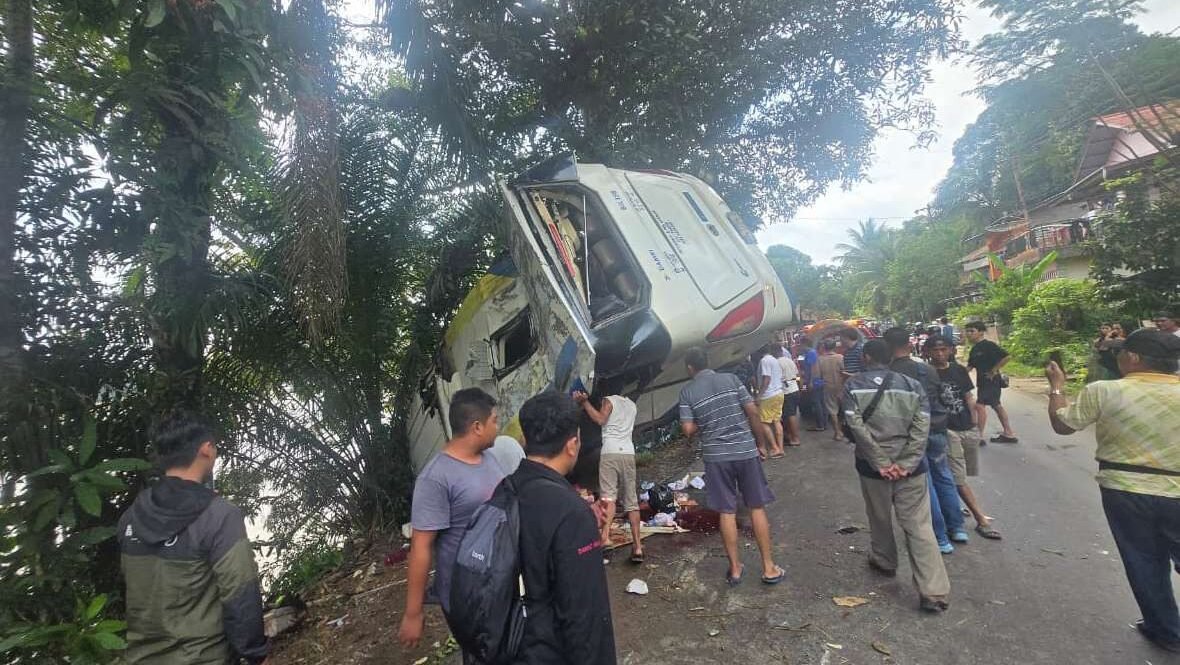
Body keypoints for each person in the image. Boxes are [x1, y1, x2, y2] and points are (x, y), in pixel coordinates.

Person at [1044, 329, 1180, 653]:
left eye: (1120, 352)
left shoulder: (1104, 391)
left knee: (1145, 561)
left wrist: (1057, 387)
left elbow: (1063, 425)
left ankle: (1166, 630)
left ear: (1133, 358)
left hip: (1126, 489)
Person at [118, 411, 268, 665]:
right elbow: (240, 593)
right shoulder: (219, 516)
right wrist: (253, 655)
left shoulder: (130, 518)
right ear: (207, 449)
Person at [842, 340, 951, 613]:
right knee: (919, 525)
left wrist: (880, 462)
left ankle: (884, 560)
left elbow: (856, 428)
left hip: (871, 468)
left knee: (879, 516)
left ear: (866, 358)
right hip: (912, 469)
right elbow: (921, 426)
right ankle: (933, 592)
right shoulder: (912, 385)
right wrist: (907, 462)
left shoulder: (853, 386)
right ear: (890, 357)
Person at [512, 391, 617, 664]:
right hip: (552, 650)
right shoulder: (570, 511)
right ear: (572, 445)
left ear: (525, 440)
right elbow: (585, 615)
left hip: (516, 641)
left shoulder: (506, 489)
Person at [399, 388, 506, 649]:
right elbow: (421, 547)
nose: (498, 426)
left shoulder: (489, 459)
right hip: (467, 593)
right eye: (495, 420)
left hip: (500, 580)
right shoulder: (435, 477)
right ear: (477, 427)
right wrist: (413, 613)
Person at [679, 347, 785, 586]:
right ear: (707, 361)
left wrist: (704, 421)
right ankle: (769, 568)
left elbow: (687, 430)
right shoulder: (731, 379)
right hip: (745, 451)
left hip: (716, 458)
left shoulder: (688, 392)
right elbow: (753, 412)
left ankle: (735, 569)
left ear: (689, 368)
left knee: (726, 511)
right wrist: (760, 444)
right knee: (756, 507)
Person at [884, 329, 966, 553]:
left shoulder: (889, 374)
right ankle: (958, 527)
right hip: (937, 428)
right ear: (909, 345)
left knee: (924, 484)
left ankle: (940, 538)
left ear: (887, 347)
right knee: (944, 476)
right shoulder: (927, 369)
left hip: (912, 435)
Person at [927, 336, 1002, 540]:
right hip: (946, 430)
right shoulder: (927, 373)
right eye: (935, 350)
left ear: (950, 350)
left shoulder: (959, 370)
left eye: (943, 349)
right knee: (957, 477)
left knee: (961, 473)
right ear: (928, 352)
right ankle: (981, 520)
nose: (940, 354)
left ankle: (952, 504)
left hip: (966, 426)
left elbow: (968, 396)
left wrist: (976, 425)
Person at [574, 391, 644, 564]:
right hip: (628, 452)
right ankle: (637, 547)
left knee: (608, 497)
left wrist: (584, 403)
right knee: (631, 501)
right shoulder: (632, 406)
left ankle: (604, 537)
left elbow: (600, 420)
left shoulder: (609, 400)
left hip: (610, 452)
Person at [964, 321, 1018, 443]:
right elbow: (970, 367)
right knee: (996, 405)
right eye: (967, 331)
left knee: (979, 405)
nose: (968, 334)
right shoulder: (974, 349)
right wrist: (956, 374)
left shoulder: (988, 345)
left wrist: (994, 371)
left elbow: (1006, 357)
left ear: (981, 332)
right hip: (982, 382)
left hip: (991, 381)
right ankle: (1008, 433)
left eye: (972, 331)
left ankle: (979, 436)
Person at [755, 343, 787, 458]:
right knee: (777, 421)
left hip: (768, 395)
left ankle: (774, 447)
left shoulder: (765, 361)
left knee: (763, 422)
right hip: (779, 393)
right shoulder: (774, 360)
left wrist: (759, 395)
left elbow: (766, 379)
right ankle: (780, 448)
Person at [817, 339, 846, 440]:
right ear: (834, 347)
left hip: (828, 386)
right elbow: (844, 372)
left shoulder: (820, 359)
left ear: (824, 347)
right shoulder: (840, 357)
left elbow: (818, 375)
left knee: (832, 410)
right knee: (844, 409)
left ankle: (837, 433)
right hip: (841, 386)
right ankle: (843, 430)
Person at [776, 345, 803, 447]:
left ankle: (795, 438)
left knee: (790, 415)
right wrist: (800, 387)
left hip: (786, 390)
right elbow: (797, 374)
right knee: (791, 414)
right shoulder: (789, 360)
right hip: (794, 388)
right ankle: (791, 436)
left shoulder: (776, 363)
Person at [799, 337, 826, 432]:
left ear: (804, 344)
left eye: (800, 344)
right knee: (820, 402)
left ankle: (820, 425)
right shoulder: (811, 353)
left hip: (814, 382)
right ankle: (823, 423)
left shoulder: (811, 353)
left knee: (816, 402)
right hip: (816, 381)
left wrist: (810, 382)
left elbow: (813, 368)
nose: (800, 347)